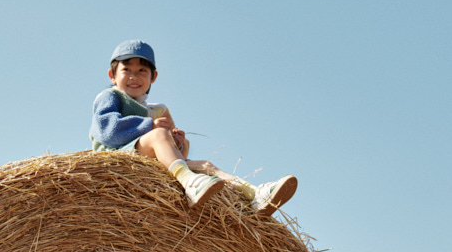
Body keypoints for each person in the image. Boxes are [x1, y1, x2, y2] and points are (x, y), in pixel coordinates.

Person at [89, 38, 298, 212]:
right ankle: (190, 184)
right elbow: (107, 130)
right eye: (127, 70)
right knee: (160, 135)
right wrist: (150, 126)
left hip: (147, 162)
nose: (134, 76)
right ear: (112, 76)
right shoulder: (110, 96)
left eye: (142, 70)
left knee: (206, 165)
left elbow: (175, 153)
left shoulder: (159, 110)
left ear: (153, 77)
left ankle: (254, 194)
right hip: (115, 159)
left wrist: (179, 142)